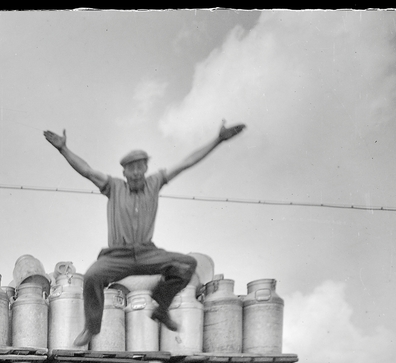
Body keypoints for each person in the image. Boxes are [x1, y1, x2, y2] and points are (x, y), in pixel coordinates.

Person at [43, 122, 246, 347]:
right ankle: (92, 327)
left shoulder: (154, 183)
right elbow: (86, 170)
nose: (137, 172)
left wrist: (218, 140)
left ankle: (161, 307)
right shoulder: (113, 186)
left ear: (146, 169)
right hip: (117, 255)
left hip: (147, 252)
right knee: (92, 276)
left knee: (187, 264)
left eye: (141, 167)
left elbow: (187, 163)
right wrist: (63, 149)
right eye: (132, 168)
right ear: (125, 172)